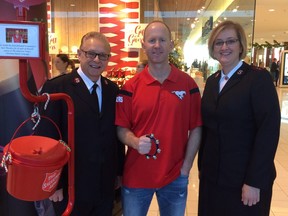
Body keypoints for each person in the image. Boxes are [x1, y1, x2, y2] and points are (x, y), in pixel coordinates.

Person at [115, 20, 202, 216]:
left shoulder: (187, 85)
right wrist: (135, 142)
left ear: (171, 45)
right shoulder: (130, 87)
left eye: (162, 40)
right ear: (143, 45)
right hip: (137, 176)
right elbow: (121, 128)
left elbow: (196, 127)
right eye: (152, 40)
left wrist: (186, 167)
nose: (157, 45)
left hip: (175, 176)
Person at [198, 20, 281, 216]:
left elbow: (268, 132)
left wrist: (254, 181)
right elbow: (208, 128)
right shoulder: (212, 81)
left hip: (244, 181)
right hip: (213, 178)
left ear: (241, 45)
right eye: (219, 42)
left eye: (230, 41)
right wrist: (203, 166)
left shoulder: (257, 79)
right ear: (212, 47)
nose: (224, 47)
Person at [38, 31, 125, 216]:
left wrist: (118, 172)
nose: (96, 60)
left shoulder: (112, 89)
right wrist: (56, 183)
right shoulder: (57, 88)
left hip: (104, 184)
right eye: (90, 53)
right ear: (79, 54)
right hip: (71, 186)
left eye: (103, 55)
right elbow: (47, 138)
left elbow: (114, 134)